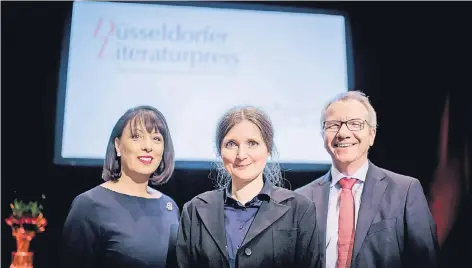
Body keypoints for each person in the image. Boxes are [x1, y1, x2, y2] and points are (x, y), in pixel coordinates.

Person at [296, 91, 439, 268]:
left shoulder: (404, 191)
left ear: (371, 135)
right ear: (323, 136)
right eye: (333, 125)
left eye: (355, 124)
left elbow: (426, 260)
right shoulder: (301, 199)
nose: (343, 133)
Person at [176, 106, 320, 268]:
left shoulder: (299, 209)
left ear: (268, 149)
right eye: (231, 144)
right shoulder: (195, 209)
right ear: (220, 151)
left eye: (252, 143)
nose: (241, 155)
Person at [61, 106, 179, 268]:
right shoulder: (89, 205)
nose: (148, 146)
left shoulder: (169, 206)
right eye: (136, 136)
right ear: (118, 146)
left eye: (156, 139)